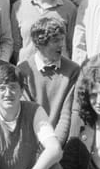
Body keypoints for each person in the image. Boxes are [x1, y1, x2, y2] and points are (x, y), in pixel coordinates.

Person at [16, 17, 81, 146]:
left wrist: (54, 147)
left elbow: (66, 115)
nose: (61, 45)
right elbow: (27, 115)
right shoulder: (23, 71)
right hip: (32, 142)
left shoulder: (73, 70)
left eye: (62, 39)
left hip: (60, 144)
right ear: (39, 44)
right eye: (55, 41)